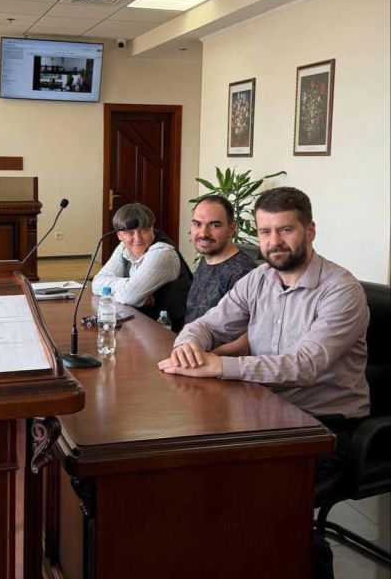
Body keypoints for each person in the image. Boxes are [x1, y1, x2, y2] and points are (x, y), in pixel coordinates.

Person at [159, 187, 370, 486]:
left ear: (310, 231)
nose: (274, 241)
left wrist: (219, 365)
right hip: (263, 406)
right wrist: (187, 344)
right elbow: (209, 325)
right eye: (265, 231)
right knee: (183, 452)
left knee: (236, 481)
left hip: (323, 423)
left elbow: (305, 366)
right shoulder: (259, 278)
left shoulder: (341, 290)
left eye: (286, 230)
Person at [92, 202, 192, 331]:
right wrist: (130, 286)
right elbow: (97, 283)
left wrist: (130, 291)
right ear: (119, 235)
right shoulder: (123, 247)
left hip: (172, 333)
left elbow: (128, 296)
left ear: (152, 228)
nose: (138, 238)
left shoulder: (162, 252)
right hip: (142, 326)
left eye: (144, 230)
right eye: (130, 232)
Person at [186, 194, 256, 325]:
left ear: (231, 229)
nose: (203, 233)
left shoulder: (243, 274)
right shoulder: (207, 259)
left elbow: (246, 334)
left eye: (214, 225)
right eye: (197, 224)